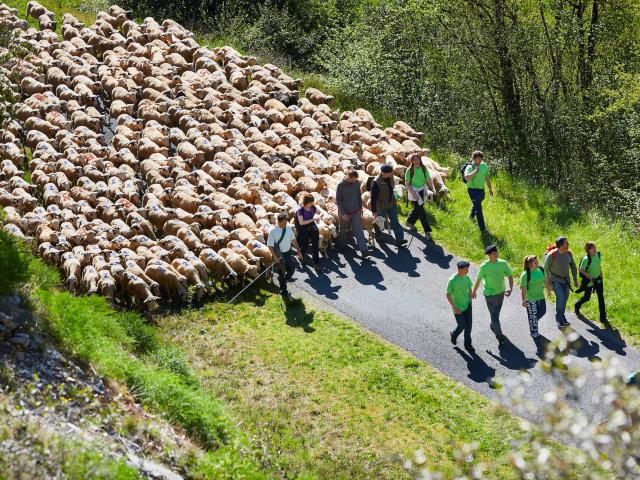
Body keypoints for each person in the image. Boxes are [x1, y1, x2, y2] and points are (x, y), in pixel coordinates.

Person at [472, 244, 514, 345]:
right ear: (489, 255)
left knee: (496, 313)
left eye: (497, 253)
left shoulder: (503, 263)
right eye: (494, 254)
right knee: (494, 315)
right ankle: (499, 336)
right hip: (489, 294)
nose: (496, 255)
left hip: (501, 292)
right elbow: (478, 280)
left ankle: (493, 324)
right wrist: (474, 291)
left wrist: (511, 288)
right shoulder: (484, 266)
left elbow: (510, 275)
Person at [267, 213, 304, 300]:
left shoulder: (287, 228)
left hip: (288, 253)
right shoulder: (273, 231)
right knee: (282, 273)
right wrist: (275, 257)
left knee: (291, 269)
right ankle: (284, 291)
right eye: (284, 222)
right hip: (279, 255)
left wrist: (298, 250)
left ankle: (282, 280)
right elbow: (270, 245)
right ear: (279, 222)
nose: (286, 223)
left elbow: (293, 240)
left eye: (286, 221)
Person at [543, 236, 578, 328]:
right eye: (567, 243)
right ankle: (559, 319)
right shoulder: (552, 255)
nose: (568, 244)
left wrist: (575, 279)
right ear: (561, 245)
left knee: (565, 298)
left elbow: (573, 267)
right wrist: (549, 283)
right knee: (561, 298)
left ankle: (562, 317)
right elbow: (545, 269)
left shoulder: (568, 254)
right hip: (555, 280)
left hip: (566, 280)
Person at [370, 164, 407, 248]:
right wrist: (374, 211)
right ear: (384, 173)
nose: (391, 174)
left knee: (395, 222)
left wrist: (397, 195)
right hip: (381, 206)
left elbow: (392, 189)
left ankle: (399, 239)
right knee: (380, 223)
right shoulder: (376, 182)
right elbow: (373, 198)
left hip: (392, 204)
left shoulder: (391, 177)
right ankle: (378, 236)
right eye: (390, 172)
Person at [336, 168, 368, 257]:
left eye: (355, 179)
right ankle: (343, 246)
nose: (353, 181)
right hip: (344, 212)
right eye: (352, 179)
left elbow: (359, 195)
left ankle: (364, 249)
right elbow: (338, 201)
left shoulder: (356, 183)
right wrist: (343, 213)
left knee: (358, 229)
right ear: (348, 177)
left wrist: (361, 207)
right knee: (343, 229)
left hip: (356, 210)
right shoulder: (340, 185)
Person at [404, 153, 435, 241]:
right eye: (414, 160)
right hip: (413, 192)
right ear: (412, 161)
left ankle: (409, 222)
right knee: (421, 211)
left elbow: (429, 179)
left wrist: (433, 188)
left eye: (418, 159)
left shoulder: (424, 168)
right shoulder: (409, 170)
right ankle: (427, 231)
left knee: (418, 208)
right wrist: (413, 193)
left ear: (420, 160)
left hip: (422, 191)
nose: (416, 161)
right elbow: (407, 184)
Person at [575, 241, 607, 322]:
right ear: (588, 250)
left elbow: (598, 265)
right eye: (592, 248)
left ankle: (603, 318)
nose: (594, 249)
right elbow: (581, 270)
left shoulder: (598, 255)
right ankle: (577, 305)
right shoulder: (586, 259)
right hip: (589, 281)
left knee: (601, 298)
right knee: (587, 298)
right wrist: (589, 276)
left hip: (598, 280)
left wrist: (601, 274)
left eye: (594, 247)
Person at [520, 255, 551, 338]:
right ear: (530, 264)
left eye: (537, 262)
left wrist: (548, 289)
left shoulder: (540, 270)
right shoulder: (525, 274)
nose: (537, 263)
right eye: (535, 262)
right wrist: (523, 300)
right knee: (533, 315)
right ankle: (533, 331)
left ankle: (532, 321)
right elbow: (523, 288)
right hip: (530, 299)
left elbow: (544, 280)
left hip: (540, 296)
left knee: (542, 311)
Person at [447, 260, 475, 353]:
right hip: (457, 308)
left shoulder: (466, 278)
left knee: (469, 326)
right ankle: (454, 334)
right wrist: (454, 306)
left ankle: (468, 344)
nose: (468, 271)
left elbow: (469, 287)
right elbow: (448, 294)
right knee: (462, 325)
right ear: (460, 269)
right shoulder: (452, 280)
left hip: (467, 305)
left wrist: (471, 296)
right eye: (466, 269)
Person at [464, 150, 493, 232]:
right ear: (474, 159)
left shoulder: (484, 166)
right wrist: (475, 171)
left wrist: (490, 188)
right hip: (472, 190)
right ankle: (483, 228)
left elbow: (487, 177)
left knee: (477, 204)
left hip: (481, 190)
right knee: (479, 209)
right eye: (477, 159)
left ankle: (470, 217)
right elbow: (466, 177)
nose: (479, 160)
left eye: (481, 158)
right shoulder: (470, 167)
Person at [295, 194, 323, 274]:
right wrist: (313, 219)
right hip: (303, 229)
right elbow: (302, 222)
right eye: (311, 202)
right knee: (305, 244)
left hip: (312, 227)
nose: (312, 203)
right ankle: (302, 256)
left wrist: (319, 217)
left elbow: (320, 212)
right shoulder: (300, 210)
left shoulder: (313, 207)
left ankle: (316, 263)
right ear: (307, 202)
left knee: (315, 245)